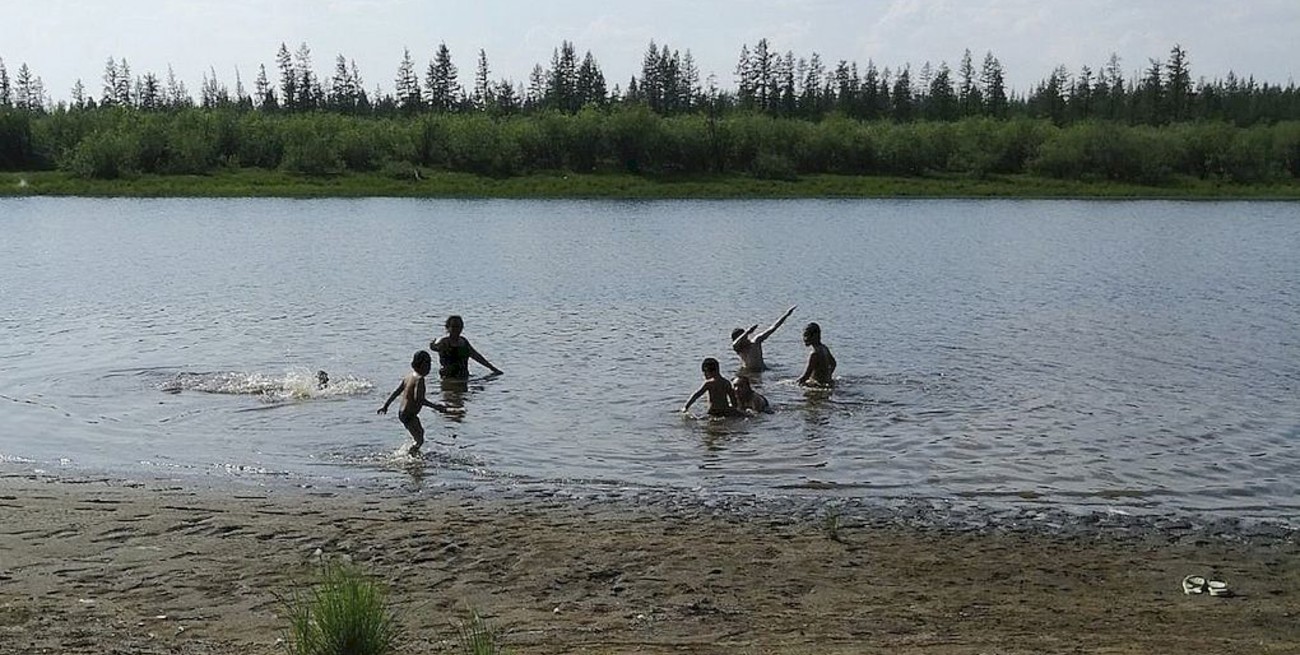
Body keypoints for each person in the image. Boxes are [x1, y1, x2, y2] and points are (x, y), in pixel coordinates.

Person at [377, 350, 453, 455]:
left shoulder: (408, 377)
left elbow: (396, 392)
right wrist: (436, 407)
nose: (430, 367)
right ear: (420, 365)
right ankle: (409, 455)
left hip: (403, 413)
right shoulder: (419, 379)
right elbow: (419, 399)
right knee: (420, 440)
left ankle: (412, 454)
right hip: (409, 415)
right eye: (428, 364)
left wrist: (386, 406)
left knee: (420, 433)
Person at [430, 315, 503, 381]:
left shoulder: (463, 342)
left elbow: (476, 356)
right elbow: (435, 347)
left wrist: (493, 369)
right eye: (454, 326)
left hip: (463, 376)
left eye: (459, 326)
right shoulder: (444, 341)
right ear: (447, 328)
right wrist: (434, 346)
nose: (457, 329)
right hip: (448, 378)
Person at [731, 305, 797, 371]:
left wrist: (786, 315)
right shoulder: (738, 348)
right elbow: (735, 343)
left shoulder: (755, 342)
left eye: (745, 337)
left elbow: (772, 328)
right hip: (748, 370)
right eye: (742, 337)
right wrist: (747, 332)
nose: (745, 339)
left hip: (761, 370)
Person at [797, 322, 837, 387]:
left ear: (815, 336)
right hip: (826, 382)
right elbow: (833, 364)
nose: (804, 339)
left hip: (818, 385)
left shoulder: (814, 354)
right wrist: (827, 377)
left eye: (806, 335)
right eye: (804, 336)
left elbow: (806, 376)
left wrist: (795, 383)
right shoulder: (824, 348)